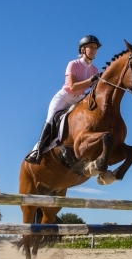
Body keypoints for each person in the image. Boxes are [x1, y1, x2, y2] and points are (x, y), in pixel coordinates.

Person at [24, 35, 102, 165]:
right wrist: (90, 80)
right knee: (50, 119)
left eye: (95, 48)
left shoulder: (95, 70)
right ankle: (37, 152)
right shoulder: (73, 64)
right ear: (82, 50)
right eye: (91, 47)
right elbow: (72, 86)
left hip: (79, 99)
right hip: (64, 97)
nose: (94, 50)